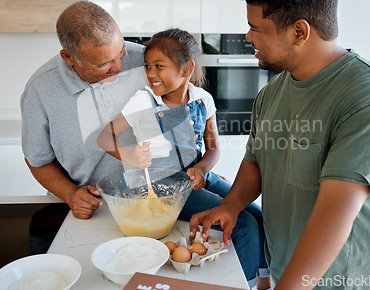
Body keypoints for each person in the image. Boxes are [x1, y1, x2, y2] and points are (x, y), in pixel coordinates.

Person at [189, 0, 370, 289]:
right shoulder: (274, 91)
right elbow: (257, 163)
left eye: (256, 27)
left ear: (299, 31)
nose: (248, 37)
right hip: (287, 269)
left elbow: (335, 215)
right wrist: (232, 204)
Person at [98, 28, 271, 289]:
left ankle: (264, 281)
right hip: (165, 184)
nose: (151, 74)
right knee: (241, 223)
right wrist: (131, 156)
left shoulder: (203, 99)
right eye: (147, 66)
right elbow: (105, 137)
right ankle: (243, 285)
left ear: (187, 68)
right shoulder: (143, 101)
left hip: (199, 176)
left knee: (256, 213)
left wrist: (202, 169)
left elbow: (214, 149)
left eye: (159, 66)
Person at [21, 1, 147, 220]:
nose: (118, 66)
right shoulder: (39, 91)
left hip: (154, 198)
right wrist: (71, 195)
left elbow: (187, 107)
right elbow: (38, 161)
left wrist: (200, 168)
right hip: (92, 207)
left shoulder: (147, 61)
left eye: (121, 52)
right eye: (104, 64)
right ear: (69, 57)